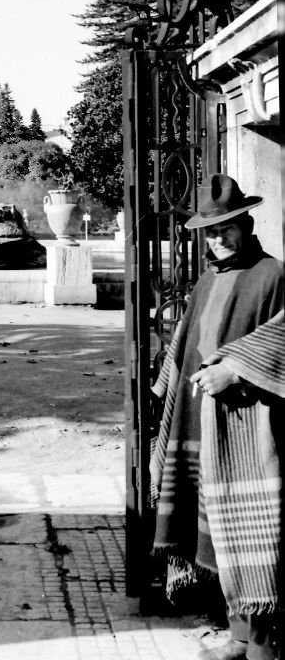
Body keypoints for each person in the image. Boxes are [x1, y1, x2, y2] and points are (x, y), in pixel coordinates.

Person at [150, 174, 284, 660]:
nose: (218, 239)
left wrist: (235, 371)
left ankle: (263, 644)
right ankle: (239, 634)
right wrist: (168, 383)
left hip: (248, 426)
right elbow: (188, 339)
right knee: (215, 531)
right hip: (198, 420)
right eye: (210, 231)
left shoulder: (274, 276)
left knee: (254, 536)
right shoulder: (207, 279)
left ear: (246, 224)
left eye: (227, 228)